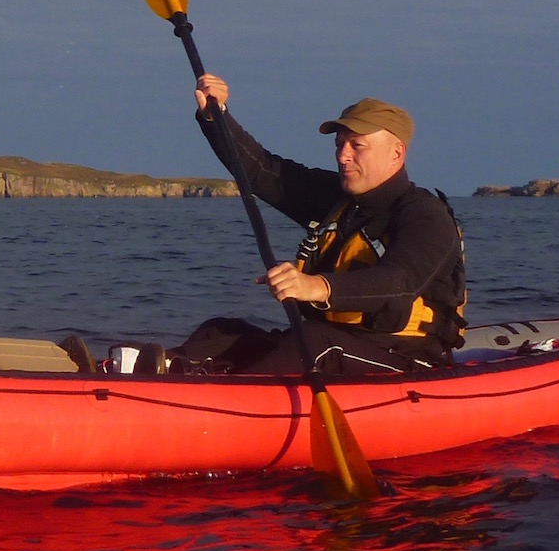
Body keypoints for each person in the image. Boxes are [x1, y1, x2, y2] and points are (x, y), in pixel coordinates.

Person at [169, 75, 466, 376]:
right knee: (220, 331)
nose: (343, 155)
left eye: (357, 146)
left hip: (406, 359)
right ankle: (161, 373)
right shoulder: (335, 199)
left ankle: (232, 397)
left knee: (315, 341)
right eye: (339, 145)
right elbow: (261, 170)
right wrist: (216, 117)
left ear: (396, 153)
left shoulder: (427, 216)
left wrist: (315, 286)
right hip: (330, 344)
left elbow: (398, 284)